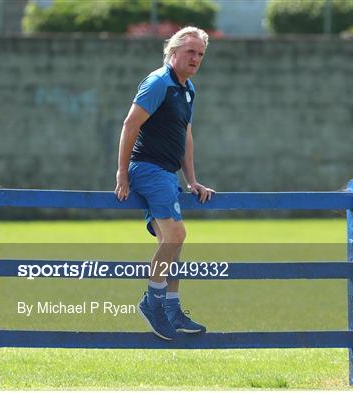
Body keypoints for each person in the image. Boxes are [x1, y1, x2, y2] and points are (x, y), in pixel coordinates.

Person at [114, 26, 214, 340]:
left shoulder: (188, 89)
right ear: (173, 51)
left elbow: (185, 135)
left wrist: (193, 180)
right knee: (177, 233)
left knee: (172, 243)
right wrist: (122, 172)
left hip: (167, 174)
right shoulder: (158, 82)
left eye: (200, 54)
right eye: (190, 52)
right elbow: (130, 124)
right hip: (147, 168)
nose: (195, 58)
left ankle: (171, 306)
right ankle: (152, 302)